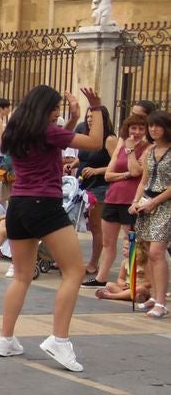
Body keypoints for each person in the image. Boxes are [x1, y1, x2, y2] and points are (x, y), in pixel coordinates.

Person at [0, 86, 106, 371]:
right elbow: (95, 142)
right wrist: (96, 109)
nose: (58, 113)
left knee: (21, 275)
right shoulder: (47, 131)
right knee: (74, 271)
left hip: (18, 204)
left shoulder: (16, 131)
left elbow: (51, 144)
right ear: (43, 109)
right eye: (55, 109)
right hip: (44, 203)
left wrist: (71, 119)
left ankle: (5, 339)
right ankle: (59, 339)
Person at [91, 114, 149, 287]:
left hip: (131, 200)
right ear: (127, 129)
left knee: (130, 241)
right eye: (133, 128)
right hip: (113, 197)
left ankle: (133, 278)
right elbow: (108, 175)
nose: (136, 132)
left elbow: (137, 171)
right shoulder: (120, 145)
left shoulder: (147, 148)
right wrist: (125, 175)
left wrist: (131, 151)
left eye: (140, 128)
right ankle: (101, 277)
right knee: (108, 241)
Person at [130, 110, 171, 317]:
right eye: (151, 126)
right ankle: (155, 295)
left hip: (165, 204)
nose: (153, 129)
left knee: (157, 251)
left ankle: (162, 302)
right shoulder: (149, 151)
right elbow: (143, 180)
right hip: (147, 202)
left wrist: (154, 201)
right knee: (145, 251)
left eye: (158, 125)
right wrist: (136, 201)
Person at [69, 106, 115, 284]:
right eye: (88, 117)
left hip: (100, 186)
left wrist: (97, 171)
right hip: (82, 184)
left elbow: (117, 163)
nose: (89, 120)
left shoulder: (109, 139)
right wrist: (73, 164)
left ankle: (94, 263)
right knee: (75, 222)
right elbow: (85, 156)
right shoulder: (87, 135)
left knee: (96, 226)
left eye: (93, 117)